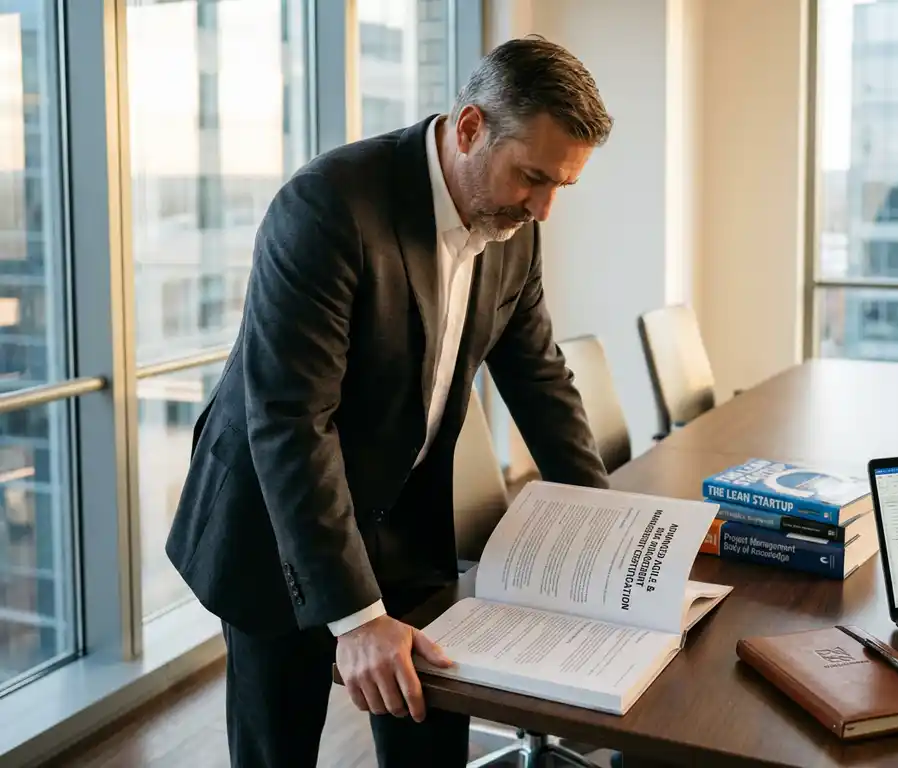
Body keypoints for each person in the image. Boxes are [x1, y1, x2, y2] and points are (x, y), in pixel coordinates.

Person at [164, 35, 613, 768]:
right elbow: (291, 422)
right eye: (533, 177)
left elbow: (540, 380)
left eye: (562, 185)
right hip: (277, 527)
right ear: (470, 128)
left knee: (430, 751)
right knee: (278, 753)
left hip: (405, 525)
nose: (544, 208)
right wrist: (357, 618)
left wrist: (609, 531)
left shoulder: (514, 231)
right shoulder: (329, 206)